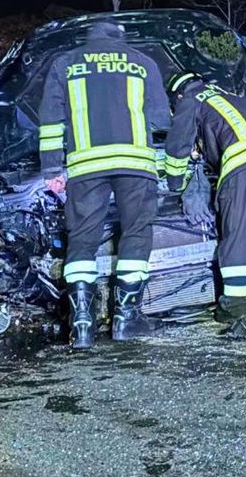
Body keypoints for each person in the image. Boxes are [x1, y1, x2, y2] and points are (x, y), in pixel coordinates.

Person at [37, 21, 171, 349]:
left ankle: (82, 326)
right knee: (136, 234)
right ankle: (126, 319)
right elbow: (161, 120)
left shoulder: (65, 63)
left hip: (85, 167)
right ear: (121, 37)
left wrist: (52, 169)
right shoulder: (142, 62)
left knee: (81, 242)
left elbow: (50, 120)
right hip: (136, 165)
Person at [164, 72, 246, 322]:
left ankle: (235, 304)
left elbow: (177, 148)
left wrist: (175, 185)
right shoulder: (228, 96)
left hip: (244, 160)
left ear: (179, 95)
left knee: (235, 230)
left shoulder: (190, 101)